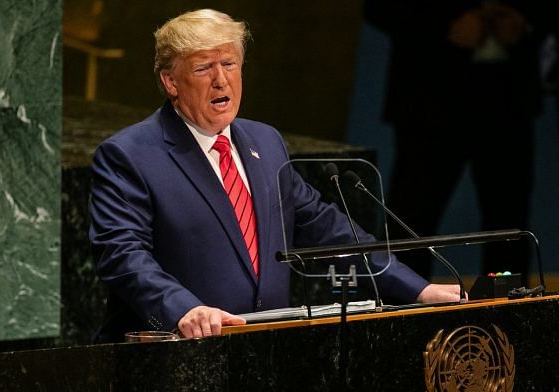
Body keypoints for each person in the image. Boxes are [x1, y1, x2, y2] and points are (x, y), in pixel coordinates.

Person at [89, 9, 461, 343]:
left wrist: (416, 289)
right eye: (204, 68)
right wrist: (183, 309)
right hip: (178, 354)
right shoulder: (130, 155)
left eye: (230, 64)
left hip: (266, 349)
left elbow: (325, 228)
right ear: (171, 82)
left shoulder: (265, 142)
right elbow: (122, 254)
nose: (221, 80)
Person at [363, 1, 544, 282]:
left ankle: (509, 316)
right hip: (430, 98)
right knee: (412, 224)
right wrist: (443, 25)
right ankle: (407, 315)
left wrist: (528, 22)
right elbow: (380, 7)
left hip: (509, 99)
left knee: (509, 227)